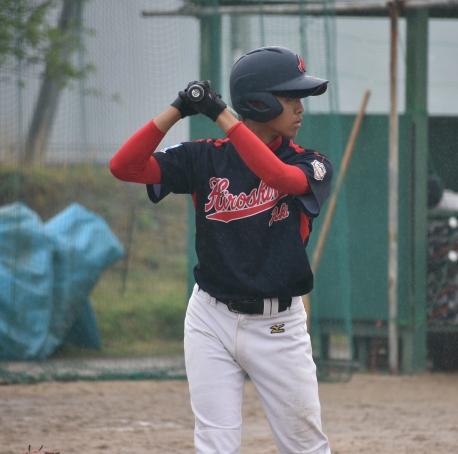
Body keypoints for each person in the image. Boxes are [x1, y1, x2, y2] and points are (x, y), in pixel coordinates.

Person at [110, 46, 333, 454]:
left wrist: (220, 114)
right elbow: (124, 167)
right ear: (259, 102)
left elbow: (277, 176)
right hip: (210, 318)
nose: (300, 108)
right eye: (290, 98)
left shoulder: (310, 162)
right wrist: (178, 109)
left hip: (279, 326)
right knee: (215, 443)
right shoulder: (205, 157)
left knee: (305, 447)